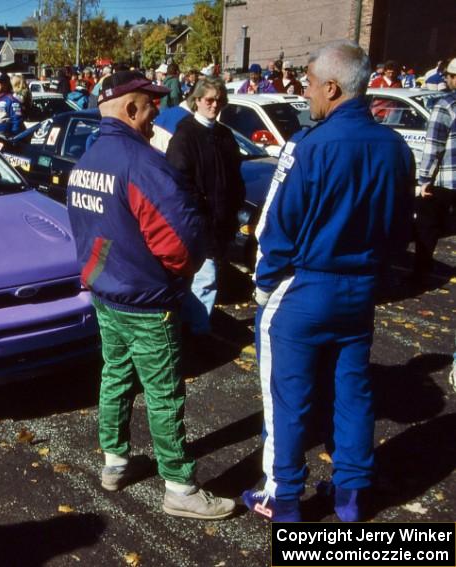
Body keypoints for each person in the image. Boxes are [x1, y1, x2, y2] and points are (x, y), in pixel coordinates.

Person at [242, 41, 414, 522]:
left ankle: (285, 500)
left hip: (304, 287)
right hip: (359, 290)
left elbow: (279, 224)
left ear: (333, 87)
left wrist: (264, 281)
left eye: (312, 83)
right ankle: (351, 496)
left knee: (288, 397)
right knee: (353, 393)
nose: (308, 92)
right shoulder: (395, 147)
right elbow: (401, 227)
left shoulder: (309, 146)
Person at [67, 70, 235, 520]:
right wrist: (178, 278)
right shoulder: (141, 164)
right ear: (129, 109)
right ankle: (179, 486)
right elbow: (181, 240)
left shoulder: (87, 161)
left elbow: (88, 232)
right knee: (163, 394)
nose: (156, 113)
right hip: (146, 300)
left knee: (115, 377)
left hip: (107, 294)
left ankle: (114, 462)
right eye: (149, 105)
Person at [166, 77, 245, 335]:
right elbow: (178, 182)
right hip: (198, 224)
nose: (214, 105)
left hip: (221, 222)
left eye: (219, 100)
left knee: (204, 280)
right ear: (197, 100)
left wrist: (234, 211)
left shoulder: (224, 134)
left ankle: (193, 327)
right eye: (209, 100)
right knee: (205, 280)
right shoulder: (185, 135)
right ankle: (198, 333)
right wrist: (197, 217)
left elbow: (235, 177)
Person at [412, 57, 456, 283]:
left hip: (446, 179)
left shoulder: (445, 104)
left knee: (427, 225)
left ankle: (421, 272)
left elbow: (434, 146)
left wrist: (424, 179)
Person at [0, 72, 24, 138]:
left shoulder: (12, 101)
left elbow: (17, 123)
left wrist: (11, 139)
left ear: (6, 84)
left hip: (5, 142)